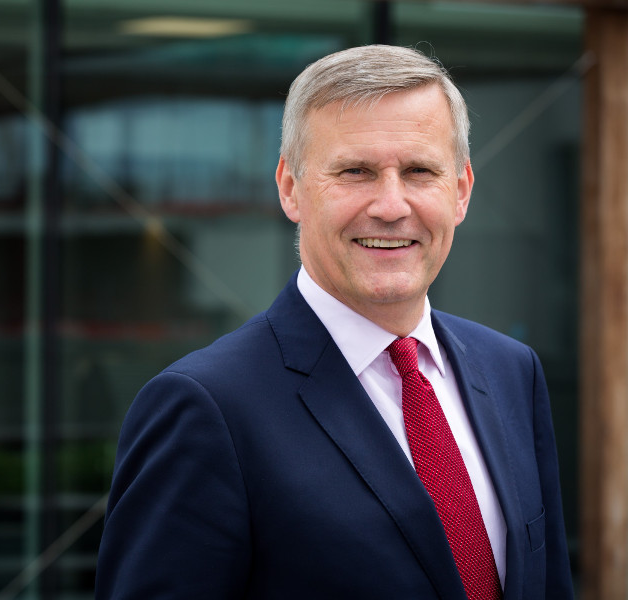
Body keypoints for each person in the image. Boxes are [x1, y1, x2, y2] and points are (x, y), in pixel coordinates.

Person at [94, 45, 574, 599]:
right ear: (290, 187)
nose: (391, 206)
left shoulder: (512, 370)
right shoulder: (206, 406)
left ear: (461, 190)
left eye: (419, 171)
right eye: (356, 172)